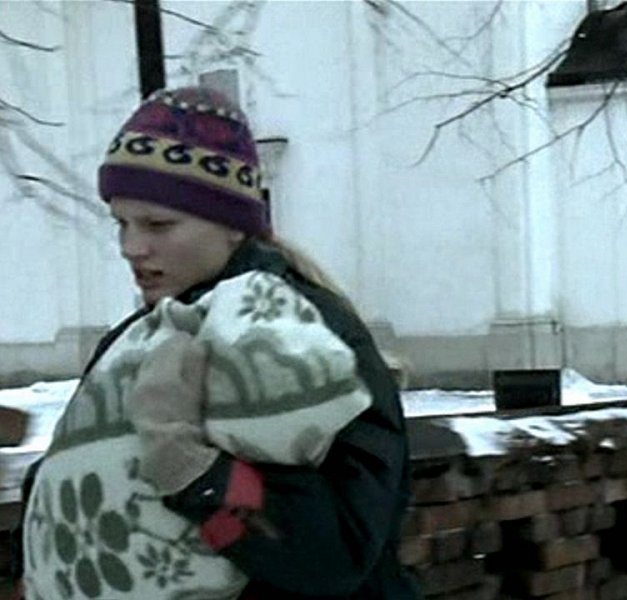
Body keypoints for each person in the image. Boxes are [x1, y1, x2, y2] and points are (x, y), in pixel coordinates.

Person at [16, 87, 418, 599]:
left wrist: (193, 470)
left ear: (232, 224)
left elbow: (337, 552)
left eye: (158, 224)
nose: (131, 248)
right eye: (121, 223)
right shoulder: (134, 339)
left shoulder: (303, 337)